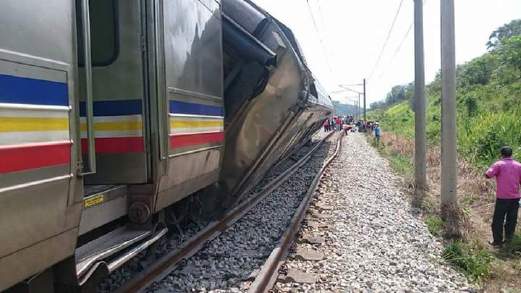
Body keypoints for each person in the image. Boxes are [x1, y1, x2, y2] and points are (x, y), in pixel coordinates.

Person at [485, 146, 521, 246]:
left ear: (502, 154)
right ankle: (509, 241)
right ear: (511, 154)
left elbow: (488, 175)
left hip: (502, 198)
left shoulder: (499, 164)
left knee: (498, 220)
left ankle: (497, 241)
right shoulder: (519, 165)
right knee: (512, 219)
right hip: (515, 198)